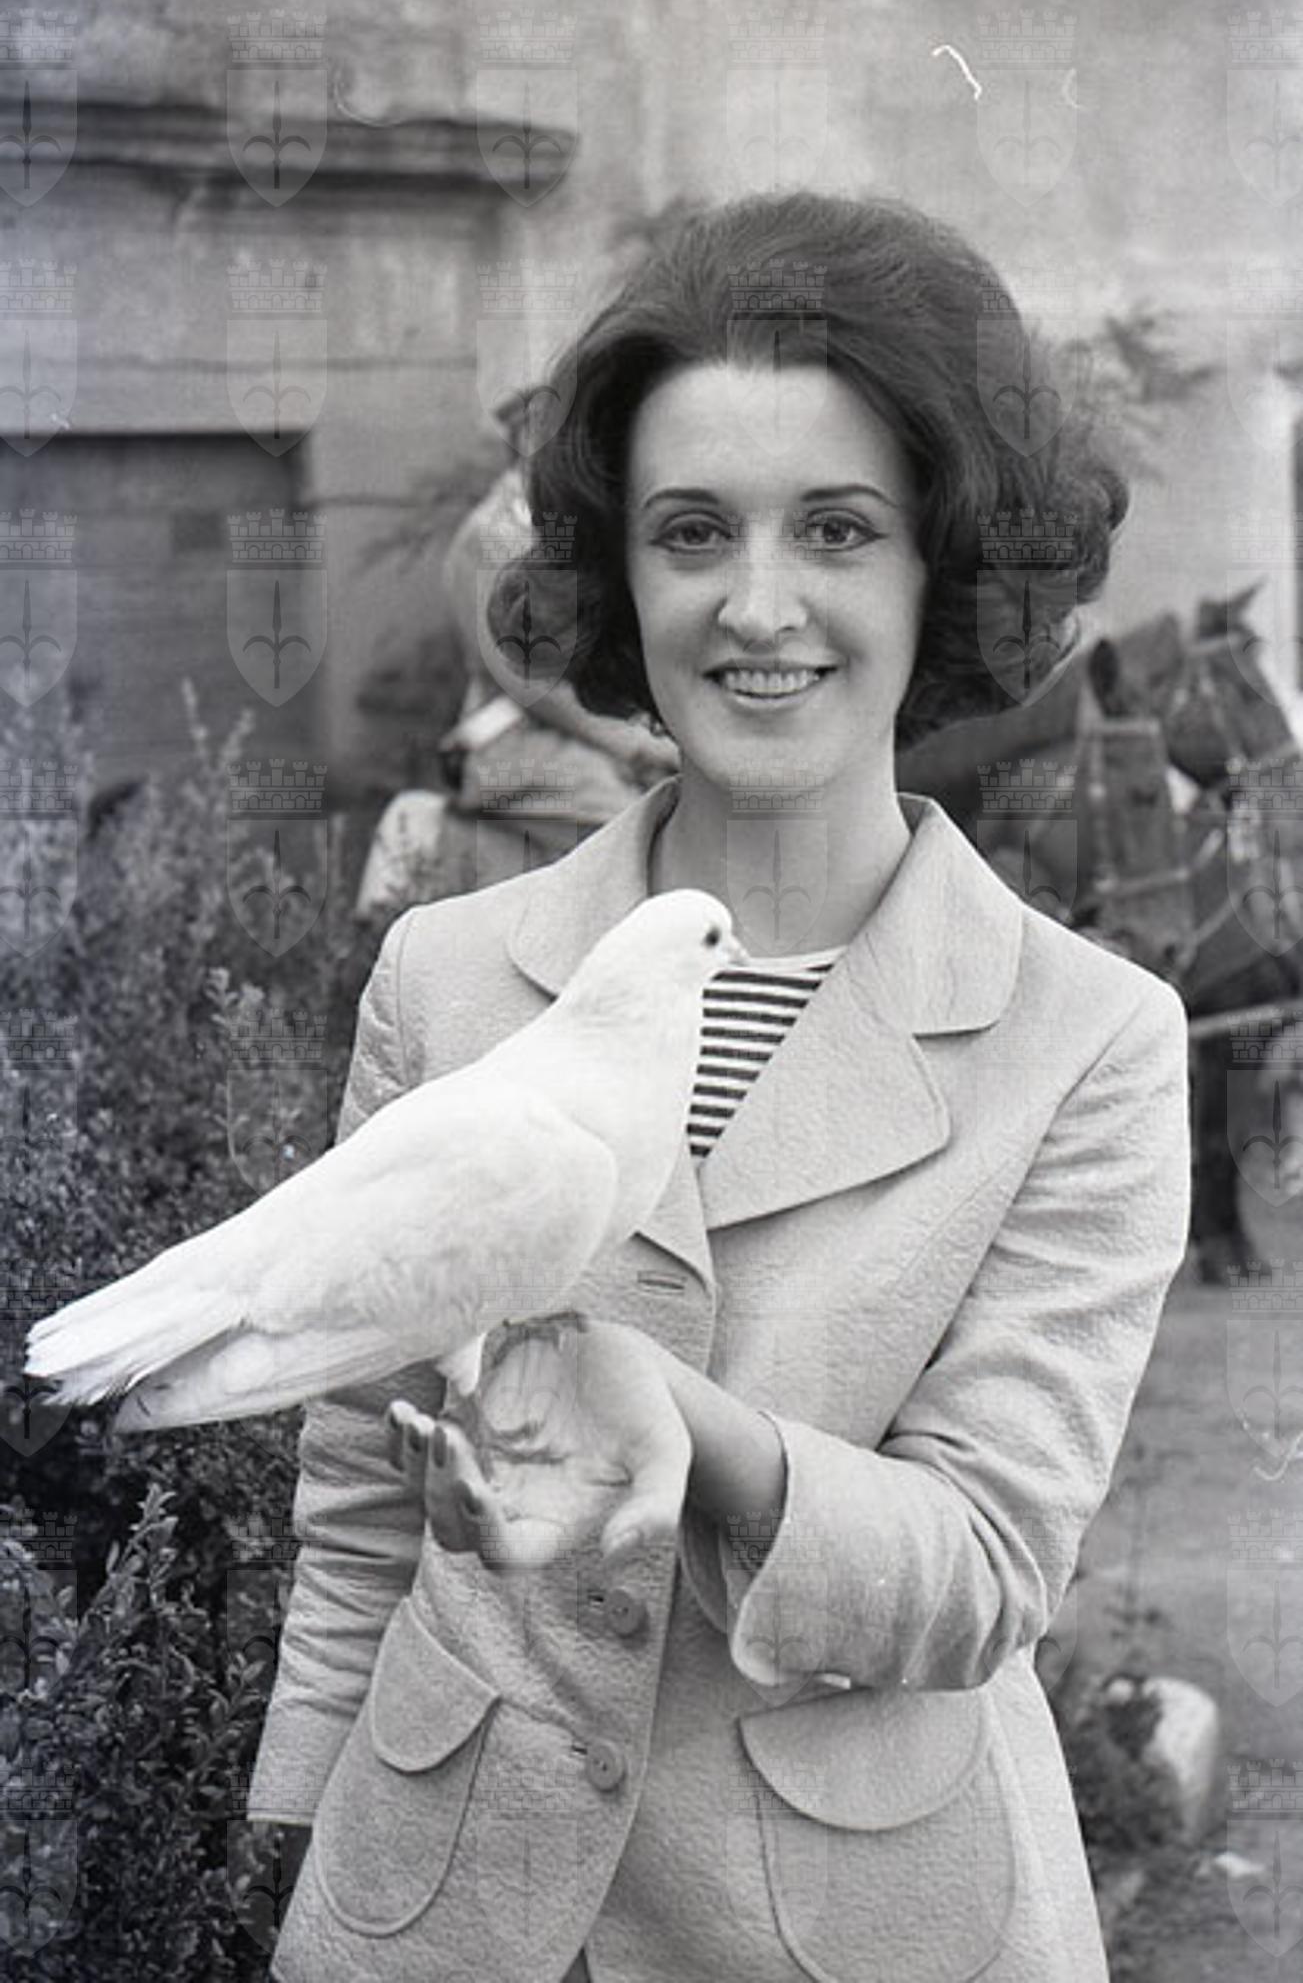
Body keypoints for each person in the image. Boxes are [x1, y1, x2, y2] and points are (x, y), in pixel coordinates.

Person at [249, 191, 1190, 1983]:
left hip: (859, 1926)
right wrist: (307, 1842)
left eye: (835, 528)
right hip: (441, 1915)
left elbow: (985, 1567)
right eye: (691, 532)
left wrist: (694, 1437)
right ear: (618, 574)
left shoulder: (1088, 1038)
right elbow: (362, 1478)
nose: (757, 607)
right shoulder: (447, 974)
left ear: (943, 566)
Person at [353, 456, 678, 928]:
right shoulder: (492, 534)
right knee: (628, 831)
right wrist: (635, 744)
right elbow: (528, 681)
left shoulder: (593, 521)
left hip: (609, 738)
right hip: (528, 742)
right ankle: (429, 848)